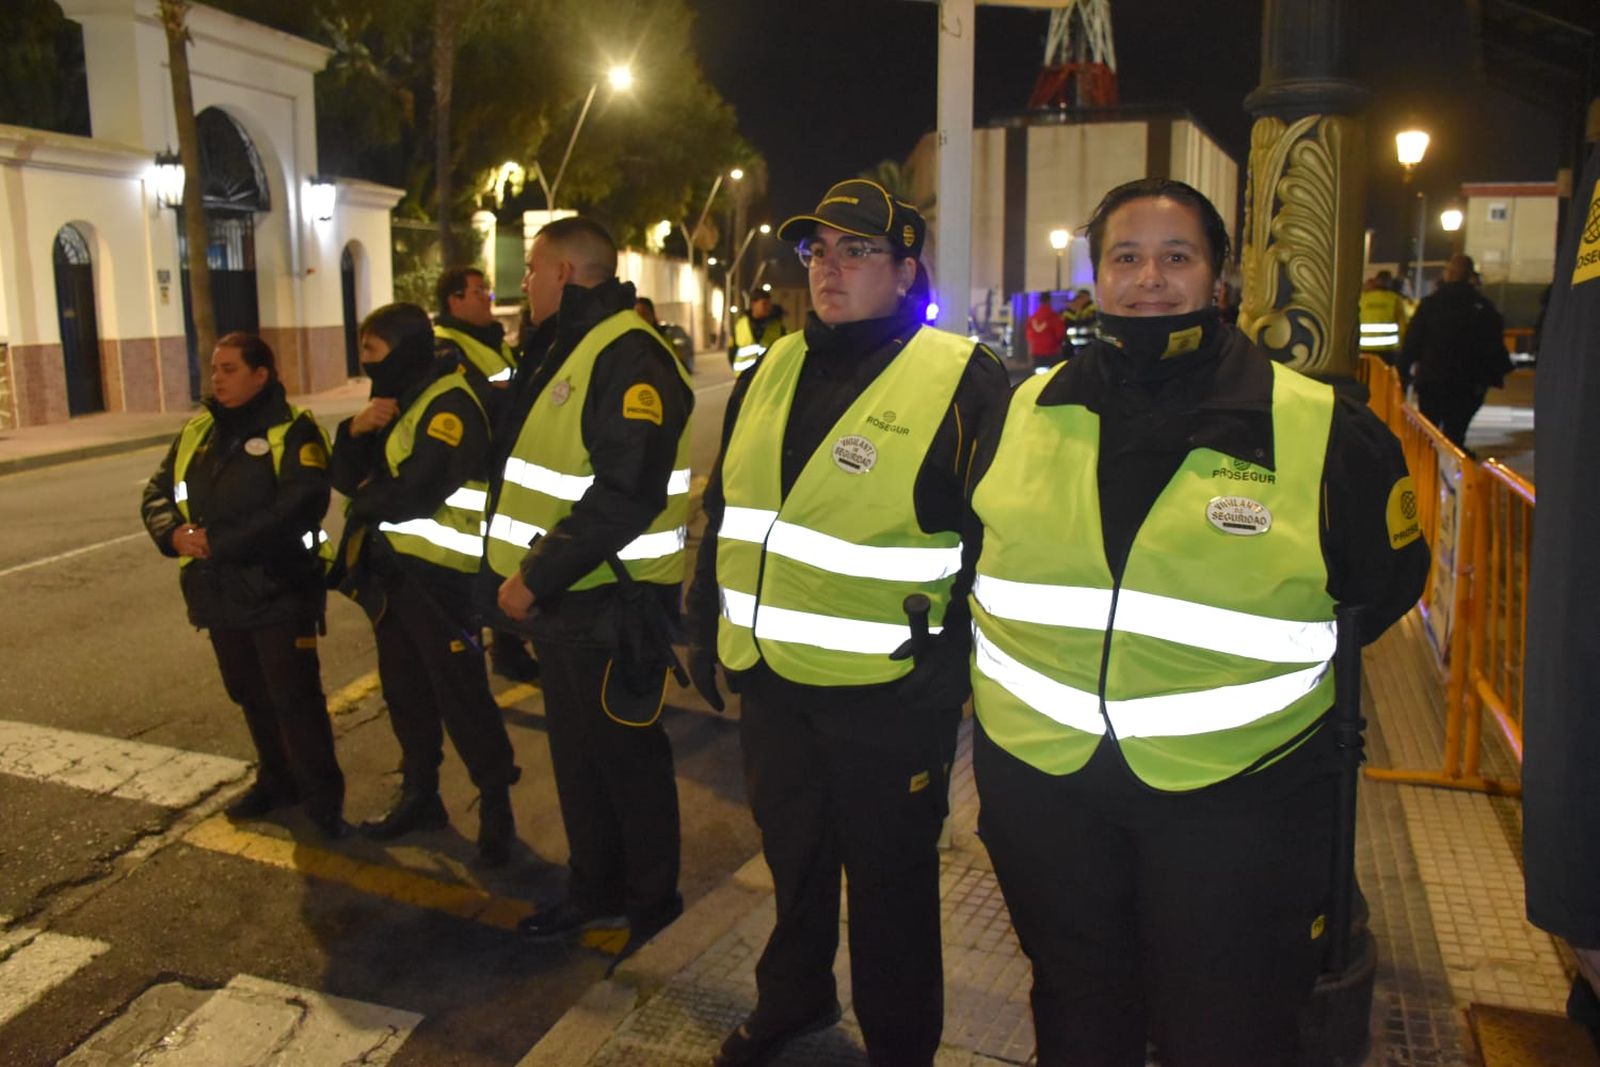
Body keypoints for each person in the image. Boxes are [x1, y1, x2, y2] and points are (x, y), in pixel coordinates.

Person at [965, 178, 1430, 1065]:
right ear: (1096, 277)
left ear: (1220, 277)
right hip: (1046, 792)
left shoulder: (1321, 425)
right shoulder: (1024, 412)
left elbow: (1384, 584)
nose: (1150, 279)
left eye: (1176, 257)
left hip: (1237, 807)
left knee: (1220, 1030)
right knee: (1076, 1012)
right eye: (1126, 257)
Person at [686, 177, 1010, 1067]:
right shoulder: (772, 367)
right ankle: (793, 1000)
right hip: (774, 680)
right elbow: (729, 508)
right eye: (818, 250)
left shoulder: (965, 380)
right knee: (793, 862)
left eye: (857, 250)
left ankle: (900, 1047)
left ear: (907, 270)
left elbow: (998, 541)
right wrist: (704, 617)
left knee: (890, 887)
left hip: (891, 695)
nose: (829, 268)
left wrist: (956, 676)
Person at [482, 217, 694, 955]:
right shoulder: (564, 347)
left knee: (628, 764)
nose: (524, 284)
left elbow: (626, 491)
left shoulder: (630, 355)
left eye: (532, 271)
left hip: (612, 602)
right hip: (567, 604)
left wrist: (536, 575)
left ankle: (652, 912)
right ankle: (596, 891)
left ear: (566, 274)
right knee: (578, 760)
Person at [329, 302, 520, 866]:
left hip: (442, 581)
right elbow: (346, 477)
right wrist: (353, 431)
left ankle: (495, 803)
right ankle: (420, 795)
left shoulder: (450, 404)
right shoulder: (398, 401)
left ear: (405, 349)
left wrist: (366, 498)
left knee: (461, 694)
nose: (366, 365)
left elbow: (414, 491)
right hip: (394, 576)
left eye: (372, 352)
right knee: (405, 691)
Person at [141, 333, 347, 839]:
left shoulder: (293, 430)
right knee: (250, 693)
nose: (218, 378)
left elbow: (300, 503)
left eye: (230, 369)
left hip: (279, 587)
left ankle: (321, 797)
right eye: (215, 369)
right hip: (219, 592)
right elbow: (156, 491)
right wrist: (173, 533)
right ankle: (276, 780)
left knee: (294, 698)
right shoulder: (198, 430)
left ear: (262, 374)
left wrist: (219, 542)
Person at [434, 265, 540, 684]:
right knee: (476, 572)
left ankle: (508, 648)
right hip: (473, 478)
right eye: (478, 292)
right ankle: (490, 654)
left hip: (500, 468)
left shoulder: (489, 342)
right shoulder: (446, 347)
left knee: (500, 561)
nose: (487, 298)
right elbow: (474, 400)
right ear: (454, 301)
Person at [1398, 253, 1512, 450]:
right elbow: (1493, 344)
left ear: (1448, 274)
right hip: (1468, 382)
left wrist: (1403, 370)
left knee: (1429, 433)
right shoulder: (1483, 307)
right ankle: (1453, 468)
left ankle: (1432, 471)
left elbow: (1413, 340)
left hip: (1433, 379)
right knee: (1456, 433)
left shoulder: (1431, 304)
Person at [1357, 269, 1408, 362]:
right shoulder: (1395, 299)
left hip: (1363, 349)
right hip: (1387, 350)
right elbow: (1403, 327)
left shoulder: (1363, 298)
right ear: (1390, 283)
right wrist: (1401, 348)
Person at [729, 289, 785, 374]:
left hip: (767, 375)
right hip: (744, 377)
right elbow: (732, 351)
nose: (768, 307)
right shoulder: (740, 325)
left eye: (769, 304)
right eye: (764, 304)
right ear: (753, 304)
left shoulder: (777, 326)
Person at [1023, 292, 1067, 373]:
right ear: (1049, 301)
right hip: (1052, 352)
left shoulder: (1033, 318)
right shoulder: (1054, 317)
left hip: (1037, 352)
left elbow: (1028, 335)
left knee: (1038, 377)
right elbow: (1060, 334)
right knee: (1054, 376)